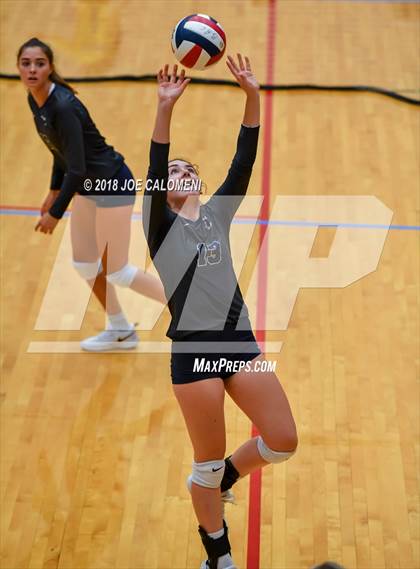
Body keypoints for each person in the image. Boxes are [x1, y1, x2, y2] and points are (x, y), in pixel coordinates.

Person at [143, 55, 298, 569]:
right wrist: (165, 107)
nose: (179, 172)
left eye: (188, 169)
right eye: (172, 172)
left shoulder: (216, 214)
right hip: (192, 353)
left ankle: (228, 478)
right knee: (204, 466)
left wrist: (251, 95)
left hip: (237, 341)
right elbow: (154, 160)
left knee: (281, 440)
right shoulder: (159, 227)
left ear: (200, 186)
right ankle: (218, 554)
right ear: (163, 191)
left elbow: (243, 160)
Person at [17, 37, 166, 351]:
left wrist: (55, 212)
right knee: (85, 263)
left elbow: (78, 167)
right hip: (87, 186)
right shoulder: (37, 100)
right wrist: (53, 189)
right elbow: (60, 152)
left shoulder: (62, 106)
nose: (32, 69)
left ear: (50, 68)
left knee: (119, 270)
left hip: (112, 184)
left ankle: (200, 311)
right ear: (18, 67)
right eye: (26, 63)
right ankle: (121, 329)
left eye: (39, 64)